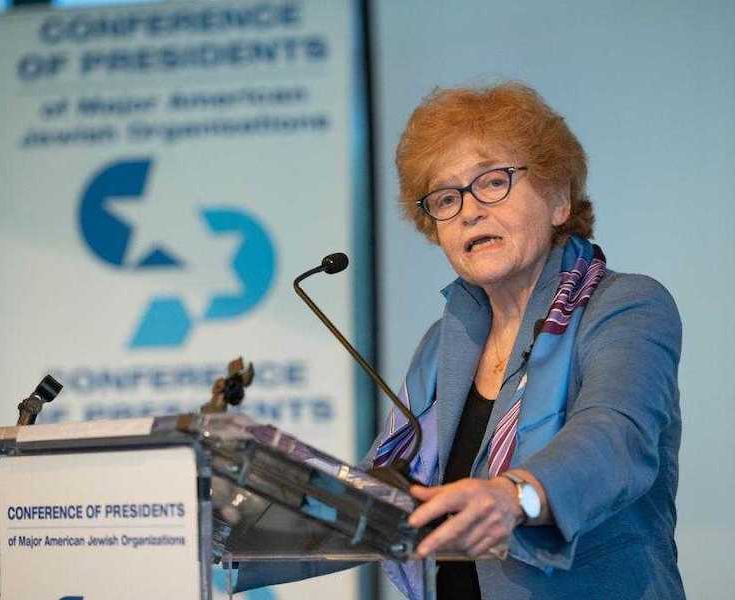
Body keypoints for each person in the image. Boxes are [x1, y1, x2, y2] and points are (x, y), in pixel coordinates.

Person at [238, 82, 685, 600]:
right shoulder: (444, 345)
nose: (469, 211)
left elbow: (617, 437)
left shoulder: (624, 305)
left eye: (493, 182)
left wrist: (516, 496)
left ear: (559, 199)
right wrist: (226, 545)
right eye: (446, 198)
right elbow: (377, 508)